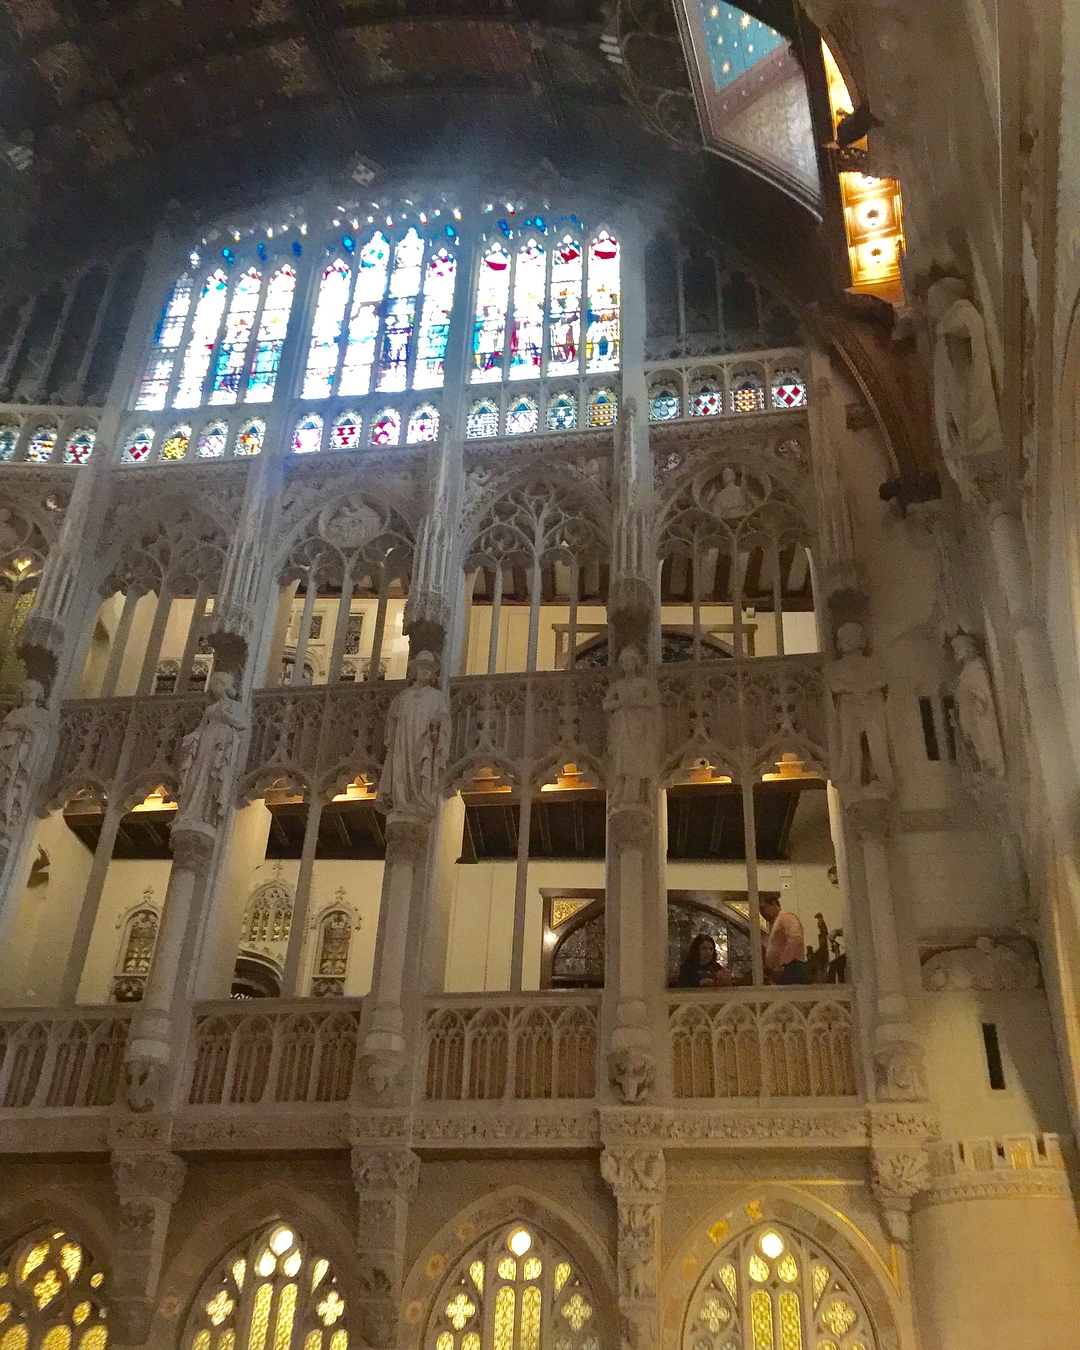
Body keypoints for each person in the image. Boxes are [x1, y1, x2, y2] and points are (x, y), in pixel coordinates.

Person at [760, 896, 809, 985]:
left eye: (763, 908)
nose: (761, 913)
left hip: (791, 969)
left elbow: (796, 940)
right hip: (782, 969)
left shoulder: (786, 918)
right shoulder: (774, 923)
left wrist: (783, 964)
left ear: (774, 904)